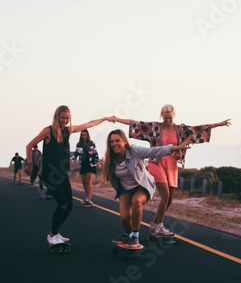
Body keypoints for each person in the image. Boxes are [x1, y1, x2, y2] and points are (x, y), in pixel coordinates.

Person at [114, 105, 231, 236]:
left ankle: (154, 225)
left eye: (170, 118)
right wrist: (117, 119)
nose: (168, 120)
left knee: (169, 199)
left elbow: (198, 129)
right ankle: (159, 226)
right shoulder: (155, 127)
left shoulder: (180, 129)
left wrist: (218, 124)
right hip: (156, 162)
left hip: (171, 164)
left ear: (173, 116)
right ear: (161, 116)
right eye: (165, 118)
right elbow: (135, 124)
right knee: (165, 196)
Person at [25, 105, 114, 246]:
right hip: (50, 174)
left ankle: (55, 233)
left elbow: (88, 124)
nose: (65, 120)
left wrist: (104, 119)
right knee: (62, 203)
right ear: (57, 117)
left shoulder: (68, 130)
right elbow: (29, 145)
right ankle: (52, 234)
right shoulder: (48, 131)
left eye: (67, 118)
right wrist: (29, 163)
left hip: (62, 174)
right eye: (63, 118)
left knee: (69, 207)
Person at [104, 129, 194, 247]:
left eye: (117, 141)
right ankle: (128, 235)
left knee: (136, 201)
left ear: (125, 141)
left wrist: (176, 147)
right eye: (111, 142)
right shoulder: (111, 159)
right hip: (125, 190)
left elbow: (154, 151)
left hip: (141, 187)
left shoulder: (135, 151)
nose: (114, 144)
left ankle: (135, 237)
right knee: (125, 218)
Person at [72, 129, 100, 205]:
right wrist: (73, 160)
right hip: (83, 165)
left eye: (85, 135)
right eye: (83, 135)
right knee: (84, 182)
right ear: (81, 136)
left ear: (87, 136)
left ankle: (89, 198)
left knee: (88, 181)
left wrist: (98, 162)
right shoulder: (79, 144)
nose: (84, 136)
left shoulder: (91, 143)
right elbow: (75, 153)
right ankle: (87, 197)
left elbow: (95, 153)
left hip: (91, 164)